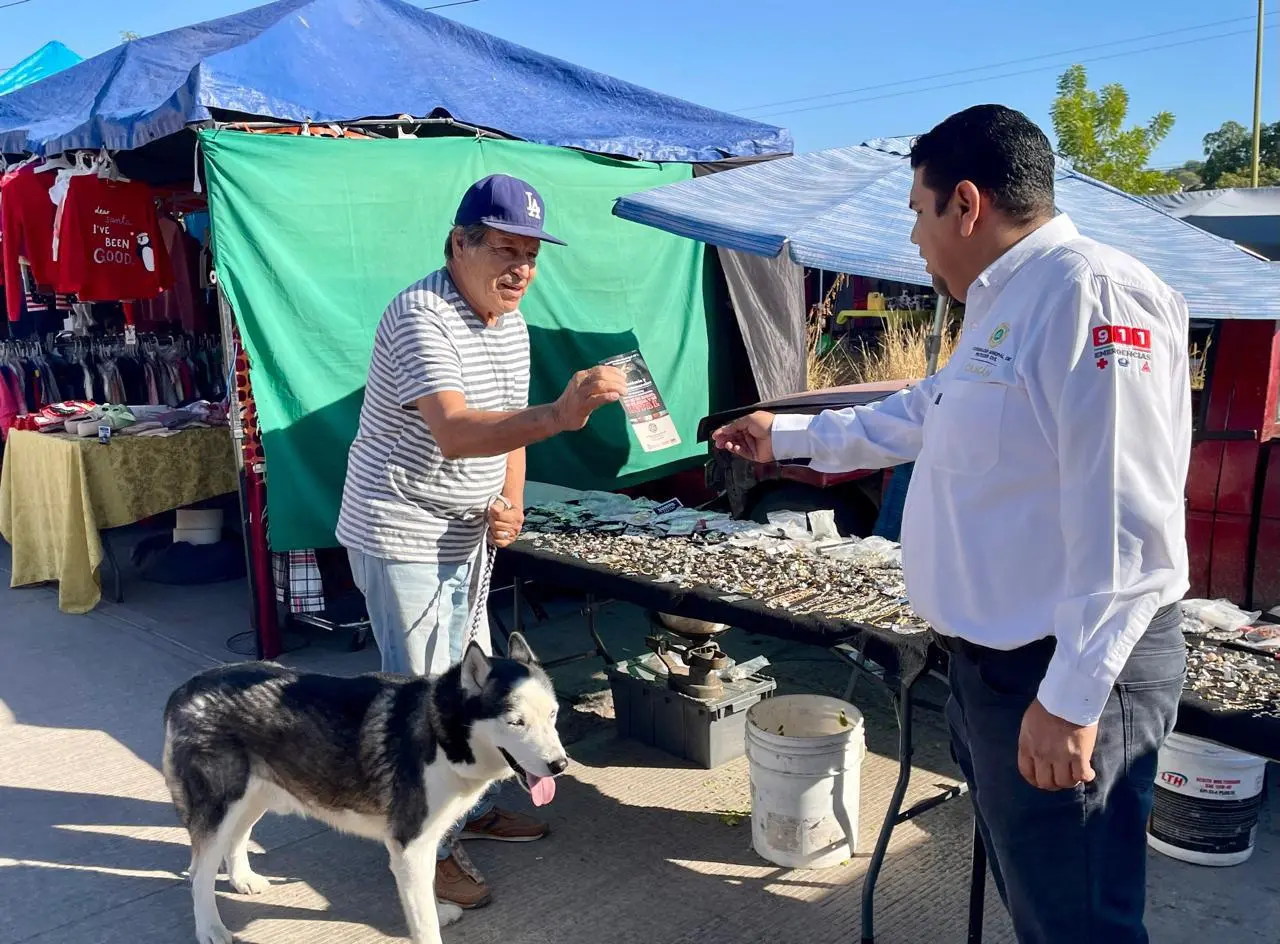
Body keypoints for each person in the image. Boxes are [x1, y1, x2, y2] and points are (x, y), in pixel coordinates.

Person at [714, 105, 1190, 944]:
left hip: (1064, 666)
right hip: (995, 669)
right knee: (1042, 907)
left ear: (966, 204)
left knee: (1080, 923)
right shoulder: (1006, 304)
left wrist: (1070, 699)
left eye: (917, 213)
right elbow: (920, 413)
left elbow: (1127, 521)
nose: (914, 240)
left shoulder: (1091, 293)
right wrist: (783, 434)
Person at [337, 174, 627, 911]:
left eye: (531, 255)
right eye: (505, 250)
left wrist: (513, 502)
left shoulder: (511, 323)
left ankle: (469, 804)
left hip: (469, 529)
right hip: (402, 526)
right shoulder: (421, 315)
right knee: (421, 700)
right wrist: (560, 416)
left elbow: (507, 431)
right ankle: (424, 848)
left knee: (478, 687)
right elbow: (458, 430)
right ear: (458, 245)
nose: (521, 269)